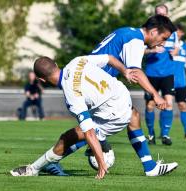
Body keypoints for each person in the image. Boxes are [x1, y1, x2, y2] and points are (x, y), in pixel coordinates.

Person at [40, 14, 177, 175]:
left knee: (131, 116)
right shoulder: (135, 40)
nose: (163, 42)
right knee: (88, 131)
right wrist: (156, 94)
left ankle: (149, 167)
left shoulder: (127, 32)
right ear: (154, 31)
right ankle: (51, 161)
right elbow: (136, 72)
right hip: (94, 87)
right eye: (164, 37)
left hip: (93, 84)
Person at [10, 55, 178, 179]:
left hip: (115, 114)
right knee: (133, 116)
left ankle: (34, 168)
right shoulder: (77, 61)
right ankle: (149, 167)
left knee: (70, 137)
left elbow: (89, 132)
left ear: (41, 79)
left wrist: (101, 163)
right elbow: (110, 58)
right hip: (122, 95)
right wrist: (124, 71)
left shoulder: (71, 94)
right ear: (55, 63)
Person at [144, 4, 179, 146]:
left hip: (167, 73)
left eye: (163, 14)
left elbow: (176, 48)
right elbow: (141, 51)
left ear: (168, 15)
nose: (161, 16)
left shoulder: (173, 33)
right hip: (151, 73)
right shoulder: (149, 31)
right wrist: (152, 51)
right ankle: (151, 134)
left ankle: (165, 134)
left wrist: (175, 52)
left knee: (169, 103)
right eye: (158, 14)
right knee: (150, 105)